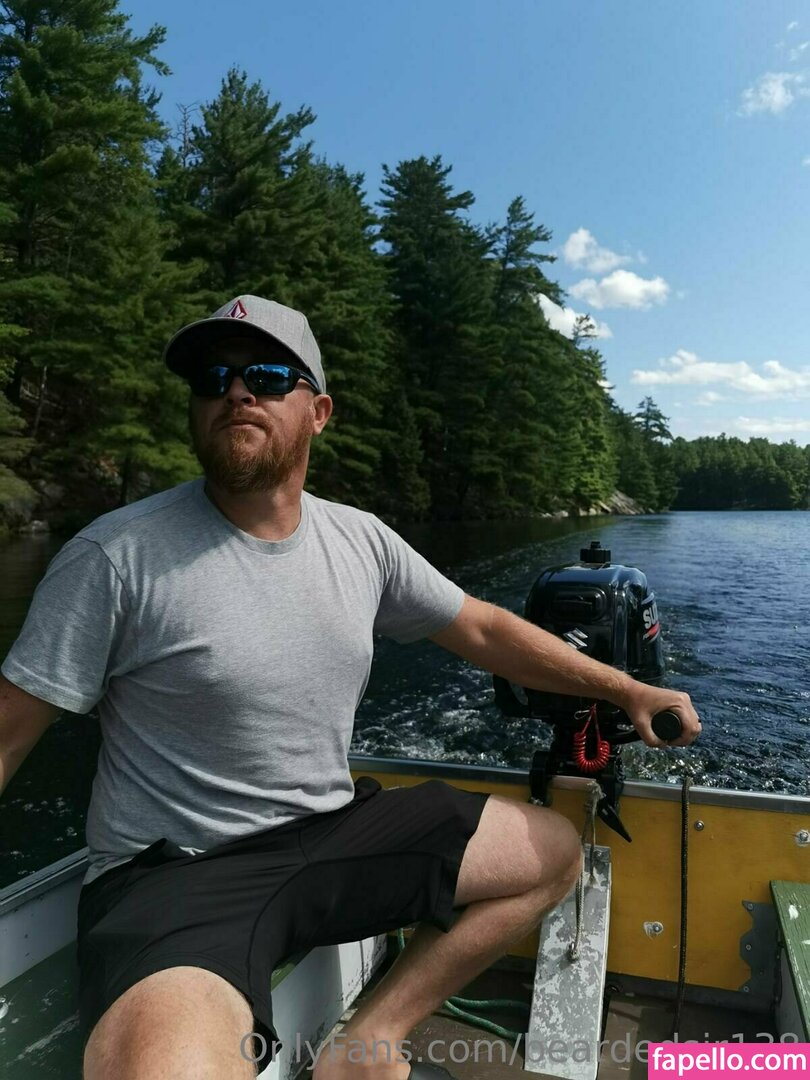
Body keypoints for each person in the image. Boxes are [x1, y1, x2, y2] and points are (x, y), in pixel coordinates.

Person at [0, 295, 701, 1080]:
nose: (237, 392)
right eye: (214, 379)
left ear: (319, 412)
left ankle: (366, 1046)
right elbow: (7, 734)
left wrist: (625, 690)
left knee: (553, 853)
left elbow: (482, 630)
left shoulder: (359, 540)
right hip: (180, 873)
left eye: (267, 376)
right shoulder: (115, 558)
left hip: (328, 836)